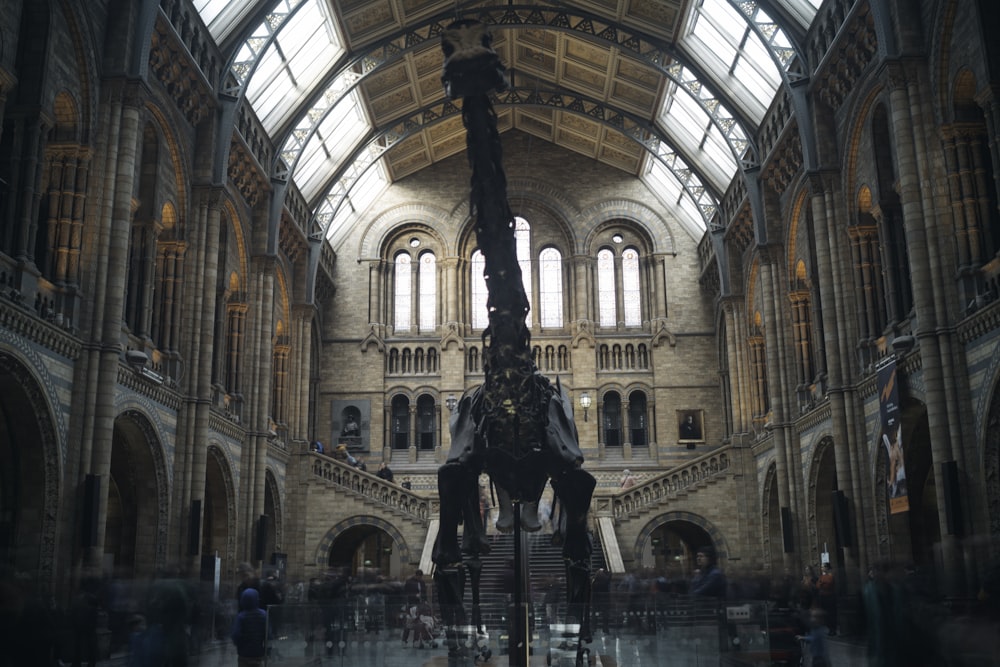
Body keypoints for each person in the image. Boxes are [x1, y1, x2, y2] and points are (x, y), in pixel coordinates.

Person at [231, 587, 268, 666]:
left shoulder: (241, 616)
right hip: (258, 653)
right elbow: (269, 634)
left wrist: (239, 644)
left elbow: (236, 634)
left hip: (244, 654)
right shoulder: (263, 615)